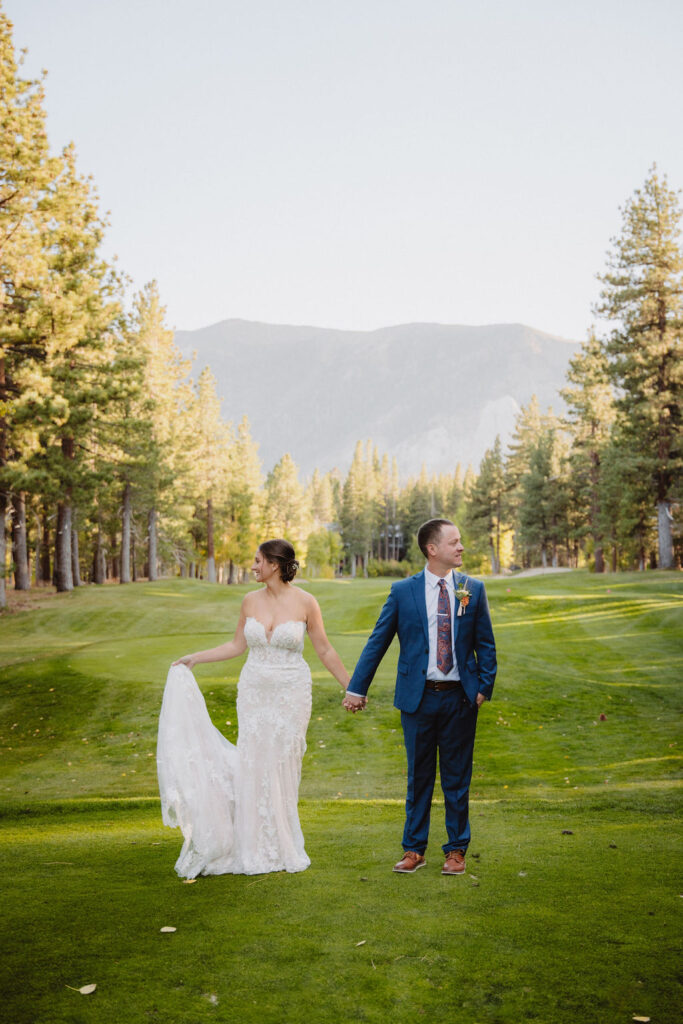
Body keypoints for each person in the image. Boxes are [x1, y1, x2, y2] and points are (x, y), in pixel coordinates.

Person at [157, 539, 351, 877]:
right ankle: (251, 844)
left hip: (291, 692)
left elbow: (325, 651)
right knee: (254, 763)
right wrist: (195, 658)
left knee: (282, 764)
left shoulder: (307, 602)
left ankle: (281, 843)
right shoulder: (249, 601)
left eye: (258, 560)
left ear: (275, 564)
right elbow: (236, 645)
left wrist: (352, 687)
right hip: (253, 692)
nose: (253, 566)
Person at [343, 519, 496, 875]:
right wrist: (357, 687)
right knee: (419, 777)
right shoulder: (402, 591)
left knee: (457, 778)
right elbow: (377, 641)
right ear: (432, 549)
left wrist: (482, 689)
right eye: (454, 542)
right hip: (417, 700)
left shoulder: (472, 589)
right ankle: (414, 849)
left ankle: (456, 850)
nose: (460, 547)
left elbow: (485, 644)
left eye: (460, 542)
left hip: (460, 699)